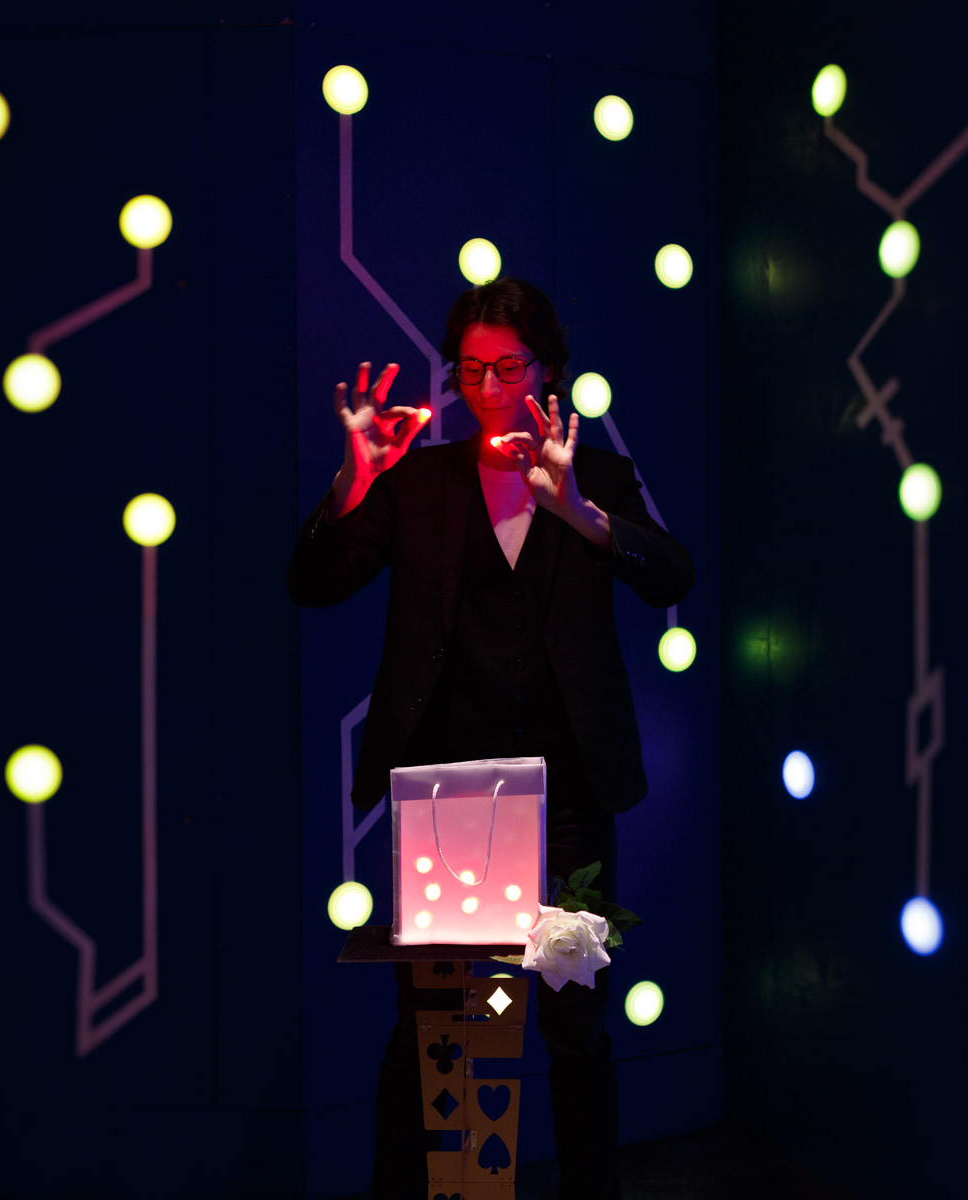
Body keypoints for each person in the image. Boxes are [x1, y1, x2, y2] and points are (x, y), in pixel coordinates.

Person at [287, 278, 693, 1200]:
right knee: (432, 1026)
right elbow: (312, 584)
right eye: (471, 371)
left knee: (575, 1029)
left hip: (571, 802)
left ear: (546, 368)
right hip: (447, 802)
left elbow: (673, 575)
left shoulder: (596, 477)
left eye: (509, 368)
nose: (490, 388)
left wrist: (578, 512)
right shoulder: (420, 480)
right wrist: (355, 479)